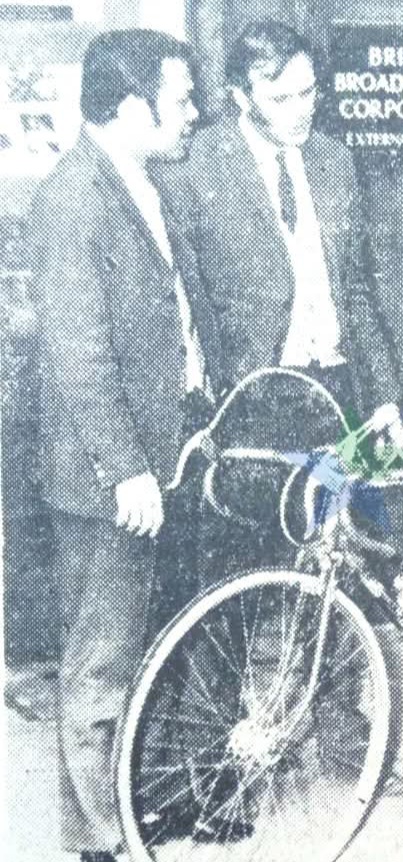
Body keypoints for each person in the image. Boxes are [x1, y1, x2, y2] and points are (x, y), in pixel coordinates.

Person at [30, 29, 222, 862]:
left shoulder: (148, 180)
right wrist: (126, 469)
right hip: (114, 476)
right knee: (101, 662)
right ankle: (99, 841)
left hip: (171, 451)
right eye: (180, 98)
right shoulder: (72, 197)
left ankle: (155, 807)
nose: (193, 112)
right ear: (131, 104)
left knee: (163, 638)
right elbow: (78, 354)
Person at [156, 19, 403, 575]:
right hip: (255, 401)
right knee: (257, 572)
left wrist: (385, 398)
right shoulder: (193, 165)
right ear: (241, 96)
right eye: (280, 98)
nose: (300, 110)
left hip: (338, 391)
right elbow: (187, 303)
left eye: (309, 92)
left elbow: (357, 290)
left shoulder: (334, 159)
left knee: (357, 556)